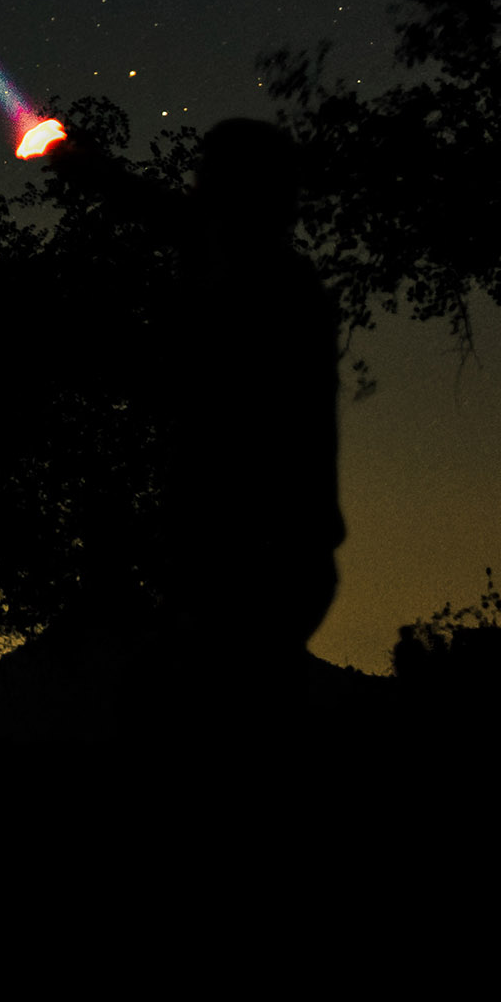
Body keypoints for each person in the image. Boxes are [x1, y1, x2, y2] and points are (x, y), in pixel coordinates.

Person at [146, 117, 347, 733]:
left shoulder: (272, 291)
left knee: (236, 710)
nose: (197, 185)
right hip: (256, 551)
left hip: (257, 552)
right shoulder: (265, 278)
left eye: (210, 174)